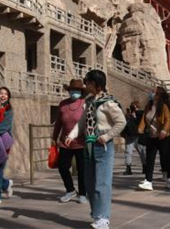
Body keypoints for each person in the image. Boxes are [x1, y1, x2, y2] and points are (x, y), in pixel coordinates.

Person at [66, 70, 126, 229]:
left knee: (102, 183)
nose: (85, 84)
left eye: (87, 82)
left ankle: (103, 218)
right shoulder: (89, 101)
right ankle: (96, 214)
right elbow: (81, 123)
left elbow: (121, 122)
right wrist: (71, 135)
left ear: (95, 84)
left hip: (103, 146)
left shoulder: (108, 103)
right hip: (89, 145)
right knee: (89, 183)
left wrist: (107, 136)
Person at [52, 79, 87, 203]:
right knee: (62, 167)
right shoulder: (63, 104)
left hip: (81, 142)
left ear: (81, 91)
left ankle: (83, 193)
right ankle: (70, 190)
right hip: (65, 142)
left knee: (82, 169)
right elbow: (58, 122)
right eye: (72, 90)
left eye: (77, 90)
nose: (74, 92)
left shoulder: (85, 103)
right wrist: (54, 137)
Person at [137, 87, 170, 191]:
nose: (151, 93)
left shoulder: (164, 107)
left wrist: (164, 130)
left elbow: (168, 120)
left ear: (159, 95)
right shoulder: (148, 106)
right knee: (150, 159)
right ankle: (148, 181)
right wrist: (140, 128)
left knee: (166, 158)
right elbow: (144, 118)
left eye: (153, 92)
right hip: (152, 136)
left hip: (163, 137)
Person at [122, 101, 143, 175]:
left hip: (138, 136)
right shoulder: (128, 115)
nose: (134, 109)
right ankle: (128, 168)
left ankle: (145, 166)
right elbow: (125, 124)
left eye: (135, 107)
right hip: (130, 136)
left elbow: (142, 123)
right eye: (132, 107)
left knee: (142, 152)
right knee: (128, 152)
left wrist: (135, 116)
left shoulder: (140, 114)